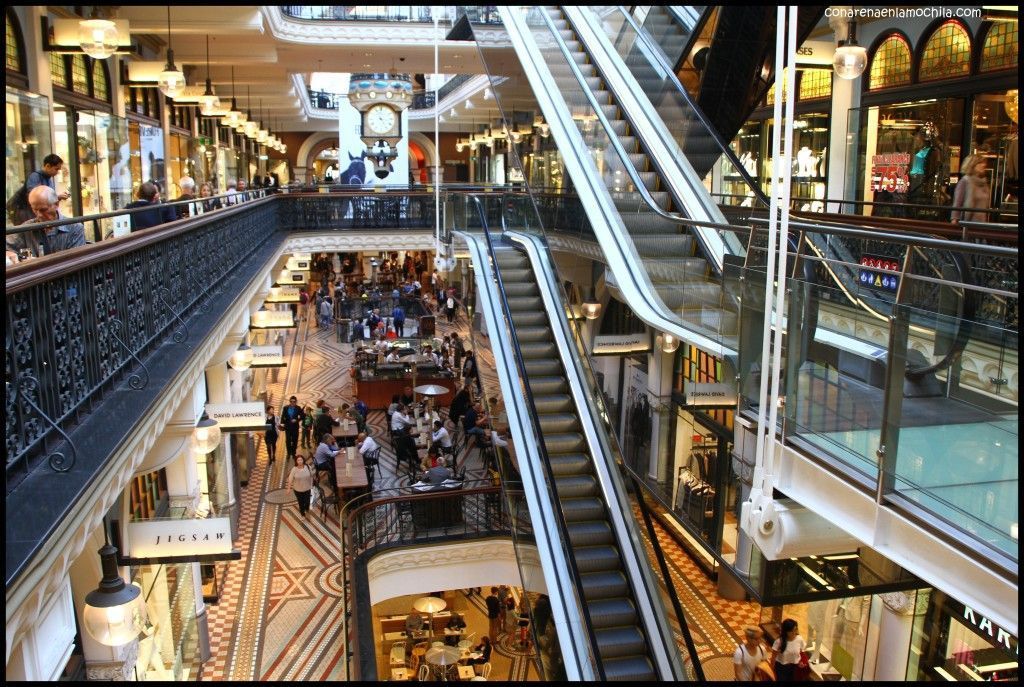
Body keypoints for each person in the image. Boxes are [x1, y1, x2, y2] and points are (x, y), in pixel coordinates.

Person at [7, 186, 86, 261]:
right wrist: (9, 253)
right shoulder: (27, 227)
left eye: (43, 210)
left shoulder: (75, 228)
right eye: (35, 210)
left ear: (56, 204)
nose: (39, 215)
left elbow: (75, 263)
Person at [951, 154, 992, 224]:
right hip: (967, 224)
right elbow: (957, 203)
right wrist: (955, 220)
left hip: (982, 224)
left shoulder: (984, 183)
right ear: (972, 165)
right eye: (980, 163)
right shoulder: (965, 181)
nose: (984, 165)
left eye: (984, 163)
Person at [771, 618, 807, 682]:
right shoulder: (779, 641)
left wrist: (801, 662)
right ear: (786, 631)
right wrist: (772, 668)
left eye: (795, 630)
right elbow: (773, 656)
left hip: (794, 667)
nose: (794, 633)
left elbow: (801, 651)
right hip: (781, 668)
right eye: (791, 631)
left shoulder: (799, 639)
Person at [281, 396, 305, 461]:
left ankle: (293, 453)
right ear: (289, 401)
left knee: (295, 441)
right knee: (288, 441)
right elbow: (283, 416)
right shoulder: (285, 408)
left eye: (294, 401)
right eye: (291, 401)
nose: (292, 403)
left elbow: (302, 416)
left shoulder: (298, 408)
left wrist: (297, 420)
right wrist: (282, 423)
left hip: (295, 428)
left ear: (296, 402)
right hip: (288, 427)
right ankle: (288, 453)